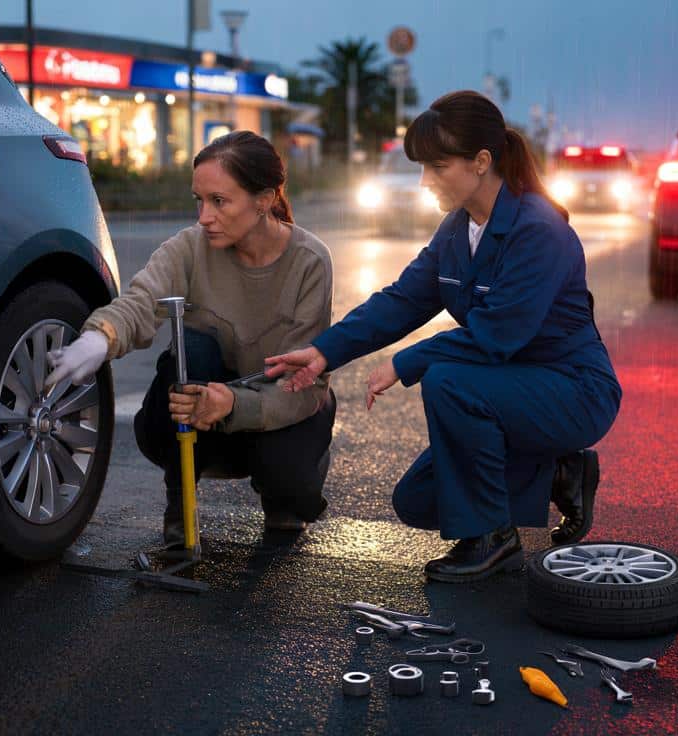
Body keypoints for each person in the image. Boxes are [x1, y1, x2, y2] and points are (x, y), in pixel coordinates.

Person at [266, 91, 621, 583]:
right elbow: (402, 299)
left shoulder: (538, 230)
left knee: (449, 381)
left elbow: (496, 336)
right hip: (511, 386)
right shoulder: (458, 229)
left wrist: (405, 362)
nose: (425, 181)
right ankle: (560, 472)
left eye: (436, 166)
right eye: (422, 167)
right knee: (418, 501)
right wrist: (324, 352)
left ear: (481, 162)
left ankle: (493, 538)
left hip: (573, 389)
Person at [45, 131, 336, 547]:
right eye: (199, 200)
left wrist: (233, 404)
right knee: (192, 349)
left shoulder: (310, 262)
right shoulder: (188, 248)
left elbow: (302, 385)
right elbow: (141, 300)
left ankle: (285, 490)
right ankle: (180, 500)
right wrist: (99, 339)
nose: (204, 216)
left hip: (278, 408)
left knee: (290, 483)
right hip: (201, 412)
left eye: (219, 201)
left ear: (265, 200)